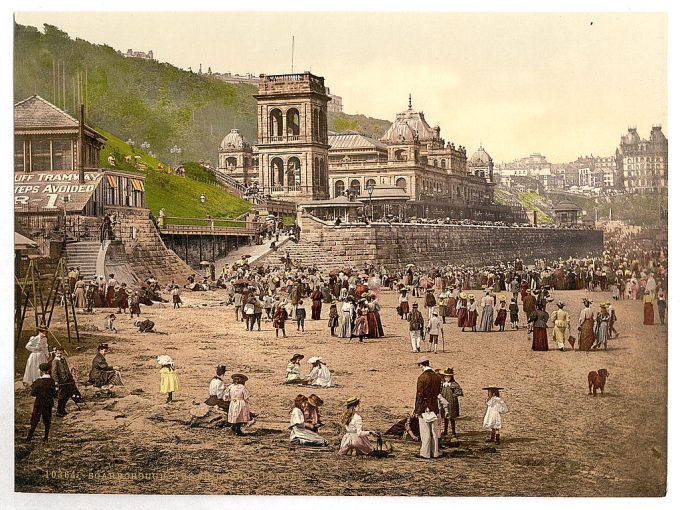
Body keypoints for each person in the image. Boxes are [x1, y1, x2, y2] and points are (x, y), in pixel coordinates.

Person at [414, 356, 442, 459]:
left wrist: (417, 409)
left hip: (424, 406)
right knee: (434, 431)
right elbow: (439, 392)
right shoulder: (437, 377)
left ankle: (425, 453)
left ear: (421, 365)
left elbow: (419, 394)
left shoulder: (422, 377)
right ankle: (435, 452)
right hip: (434, 405)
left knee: (425, 431)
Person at [26, 363, 56, 442]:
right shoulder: (52, 381)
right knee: (47, 420)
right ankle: (45, 438)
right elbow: (54, 394)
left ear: (41, 371)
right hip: (48, 404)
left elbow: (33, 394)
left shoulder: (37, 381)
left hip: (38, 404)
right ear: (49, 370)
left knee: (34, 420)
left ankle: (28, 438)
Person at [52, 346, 82, 417]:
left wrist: (71, 377)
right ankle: (59, 411)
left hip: (67, 381)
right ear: (55, 353)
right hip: (61, 382)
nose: (59, 355)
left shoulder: (63, 359)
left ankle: (62, 409)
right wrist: (56, 381)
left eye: (61, 353)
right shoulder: (55, 361)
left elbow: (67, 370)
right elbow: (54, 372)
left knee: (67, 395)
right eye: (58, 353)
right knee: (62, 396)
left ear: (63, 353)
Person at [438, 368, 463, 437]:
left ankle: (453, 432)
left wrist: (453, 395)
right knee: (445, 417)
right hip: (444, 401)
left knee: (451, 417)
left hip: (452, 402)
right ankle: (445, 431)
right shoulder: (442, 384)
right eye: (446, 377)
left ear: (451, 377)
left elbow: (459, 392)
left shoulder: (454, 384)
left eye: (448, 377)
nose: (447, 378)